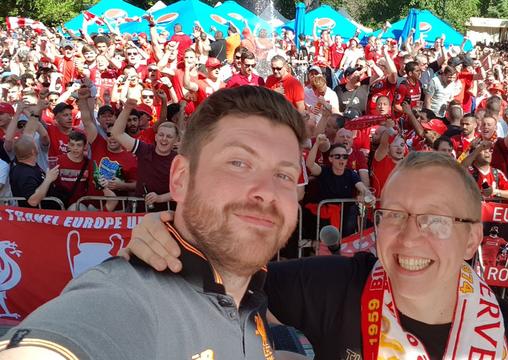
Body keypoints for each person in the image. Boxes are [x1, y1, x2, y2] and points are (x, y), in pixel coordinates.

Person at [121, 152, 508, 360]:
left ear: (471, 239)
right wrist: (169, 241)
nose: (410, 237)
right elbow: (218, 277)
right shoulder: (332, 287)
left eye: (436, 220)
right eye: (394, 215)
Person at [0, 86, 307, 359]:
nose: (266, 192)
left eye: (284, 175)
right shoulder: (127, 300)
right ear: (181, 179)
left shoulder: (258, 293)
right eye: (239, 163)